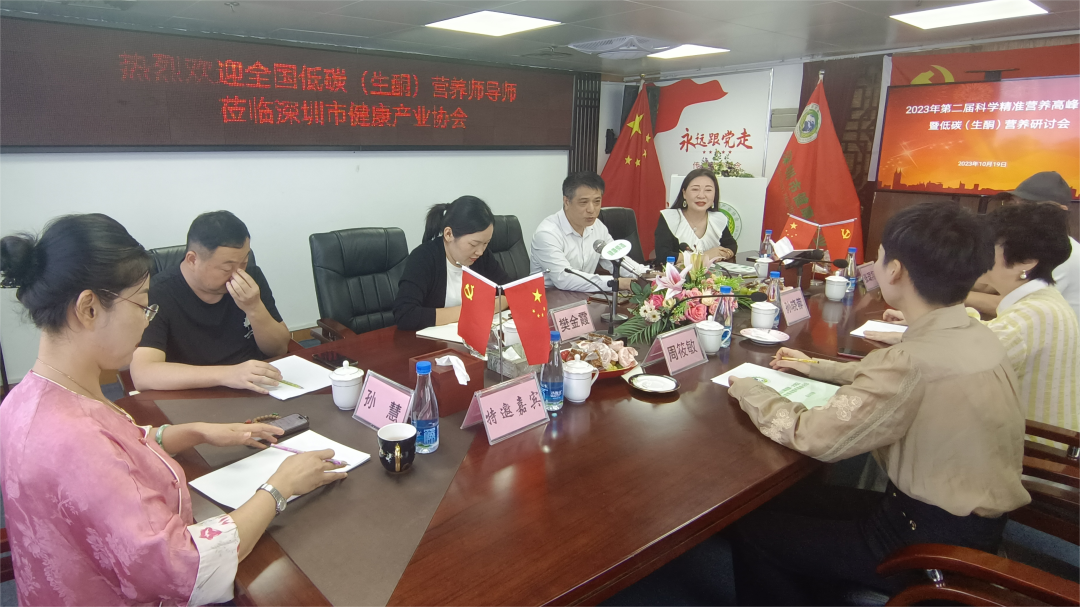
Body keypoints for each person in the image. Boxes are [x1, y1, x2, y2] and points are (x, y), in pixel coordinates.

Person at [0, 214, 346, 606]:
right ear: (89, 308)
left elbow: (117, 447)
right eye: (142, 306)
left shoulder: (27, 398)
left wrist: (195, 431)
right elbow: (183, 569)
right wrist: (280, 488)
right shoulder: (75, 440)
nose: (145, 320)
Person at [725, 203, 1029, 604]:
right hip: (963, 523)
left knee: (755, 533)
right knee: (783, 503)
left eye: (881, 256)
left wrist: (750, 388)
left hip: (924, 541)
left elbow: (815, 436)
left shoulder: (912, 361)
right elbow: (900, 380)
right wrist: (816, 367)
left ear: (896, 270)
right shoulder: (973, 331)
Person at [871, 203, 1078, 441]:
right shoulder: (1043, 302)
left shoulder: (1036, 315)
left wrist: (916, 331)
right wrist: (927, 317)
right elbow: (988, 333)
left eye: (991, 245)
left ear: (1026, 262)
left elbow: (960, 358)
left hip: (1037, 447)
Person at [130, 211, 291, 394]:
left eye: (244, 262)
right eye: (227, 268)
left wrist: (254, 308)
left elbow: (279, 349)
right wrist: (229, 374)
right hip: (194, 393)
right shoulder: (157, 293)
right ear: (192, 260)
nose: (238, 274)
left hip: (255, 386)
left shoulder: (251, 279)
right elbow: (143, 374)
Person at [966, 171, 1078, 319]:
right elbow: (989, 283)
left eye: (1028, 205)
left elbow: (1011, 304)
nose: (1015, 211)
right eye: (1012, 203)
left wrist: (948, 295)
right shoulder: (1021, 244)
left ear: (1060, 211)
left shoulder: (1059, 253)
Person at [394, 196, 510, 331]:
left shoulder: (482, 257)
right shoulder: (423, 258)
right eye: (474, 244)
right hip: (433, 340)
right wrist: (471, 311)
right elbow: (405, 314)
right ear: (448, 234)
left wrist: (487, 307)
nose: (480, 251)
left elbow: (511, 291)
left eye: (485, 243)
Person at [529, 171, 649, 292]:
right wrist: (616, 283)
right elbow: (564, 279)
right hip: (548, 297)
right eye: (583, 202)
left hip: (582, 296)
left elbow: (617, 260)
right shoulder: (547, 234)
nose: (591, 209)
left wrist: (647, 275)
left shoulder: (597, 226)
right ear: (566, 202)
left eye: (597, 202)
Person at [653, 168, 738, 264]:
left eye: (708, 190)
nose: (701, 196)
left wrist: (722, 254)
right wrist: (705, 256)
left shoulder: (717, 219)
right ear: (684, 193)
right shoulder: (670, 218)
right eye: (695, 189)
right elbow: (663, 256)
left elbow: (731, 245)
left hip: (711, 273)